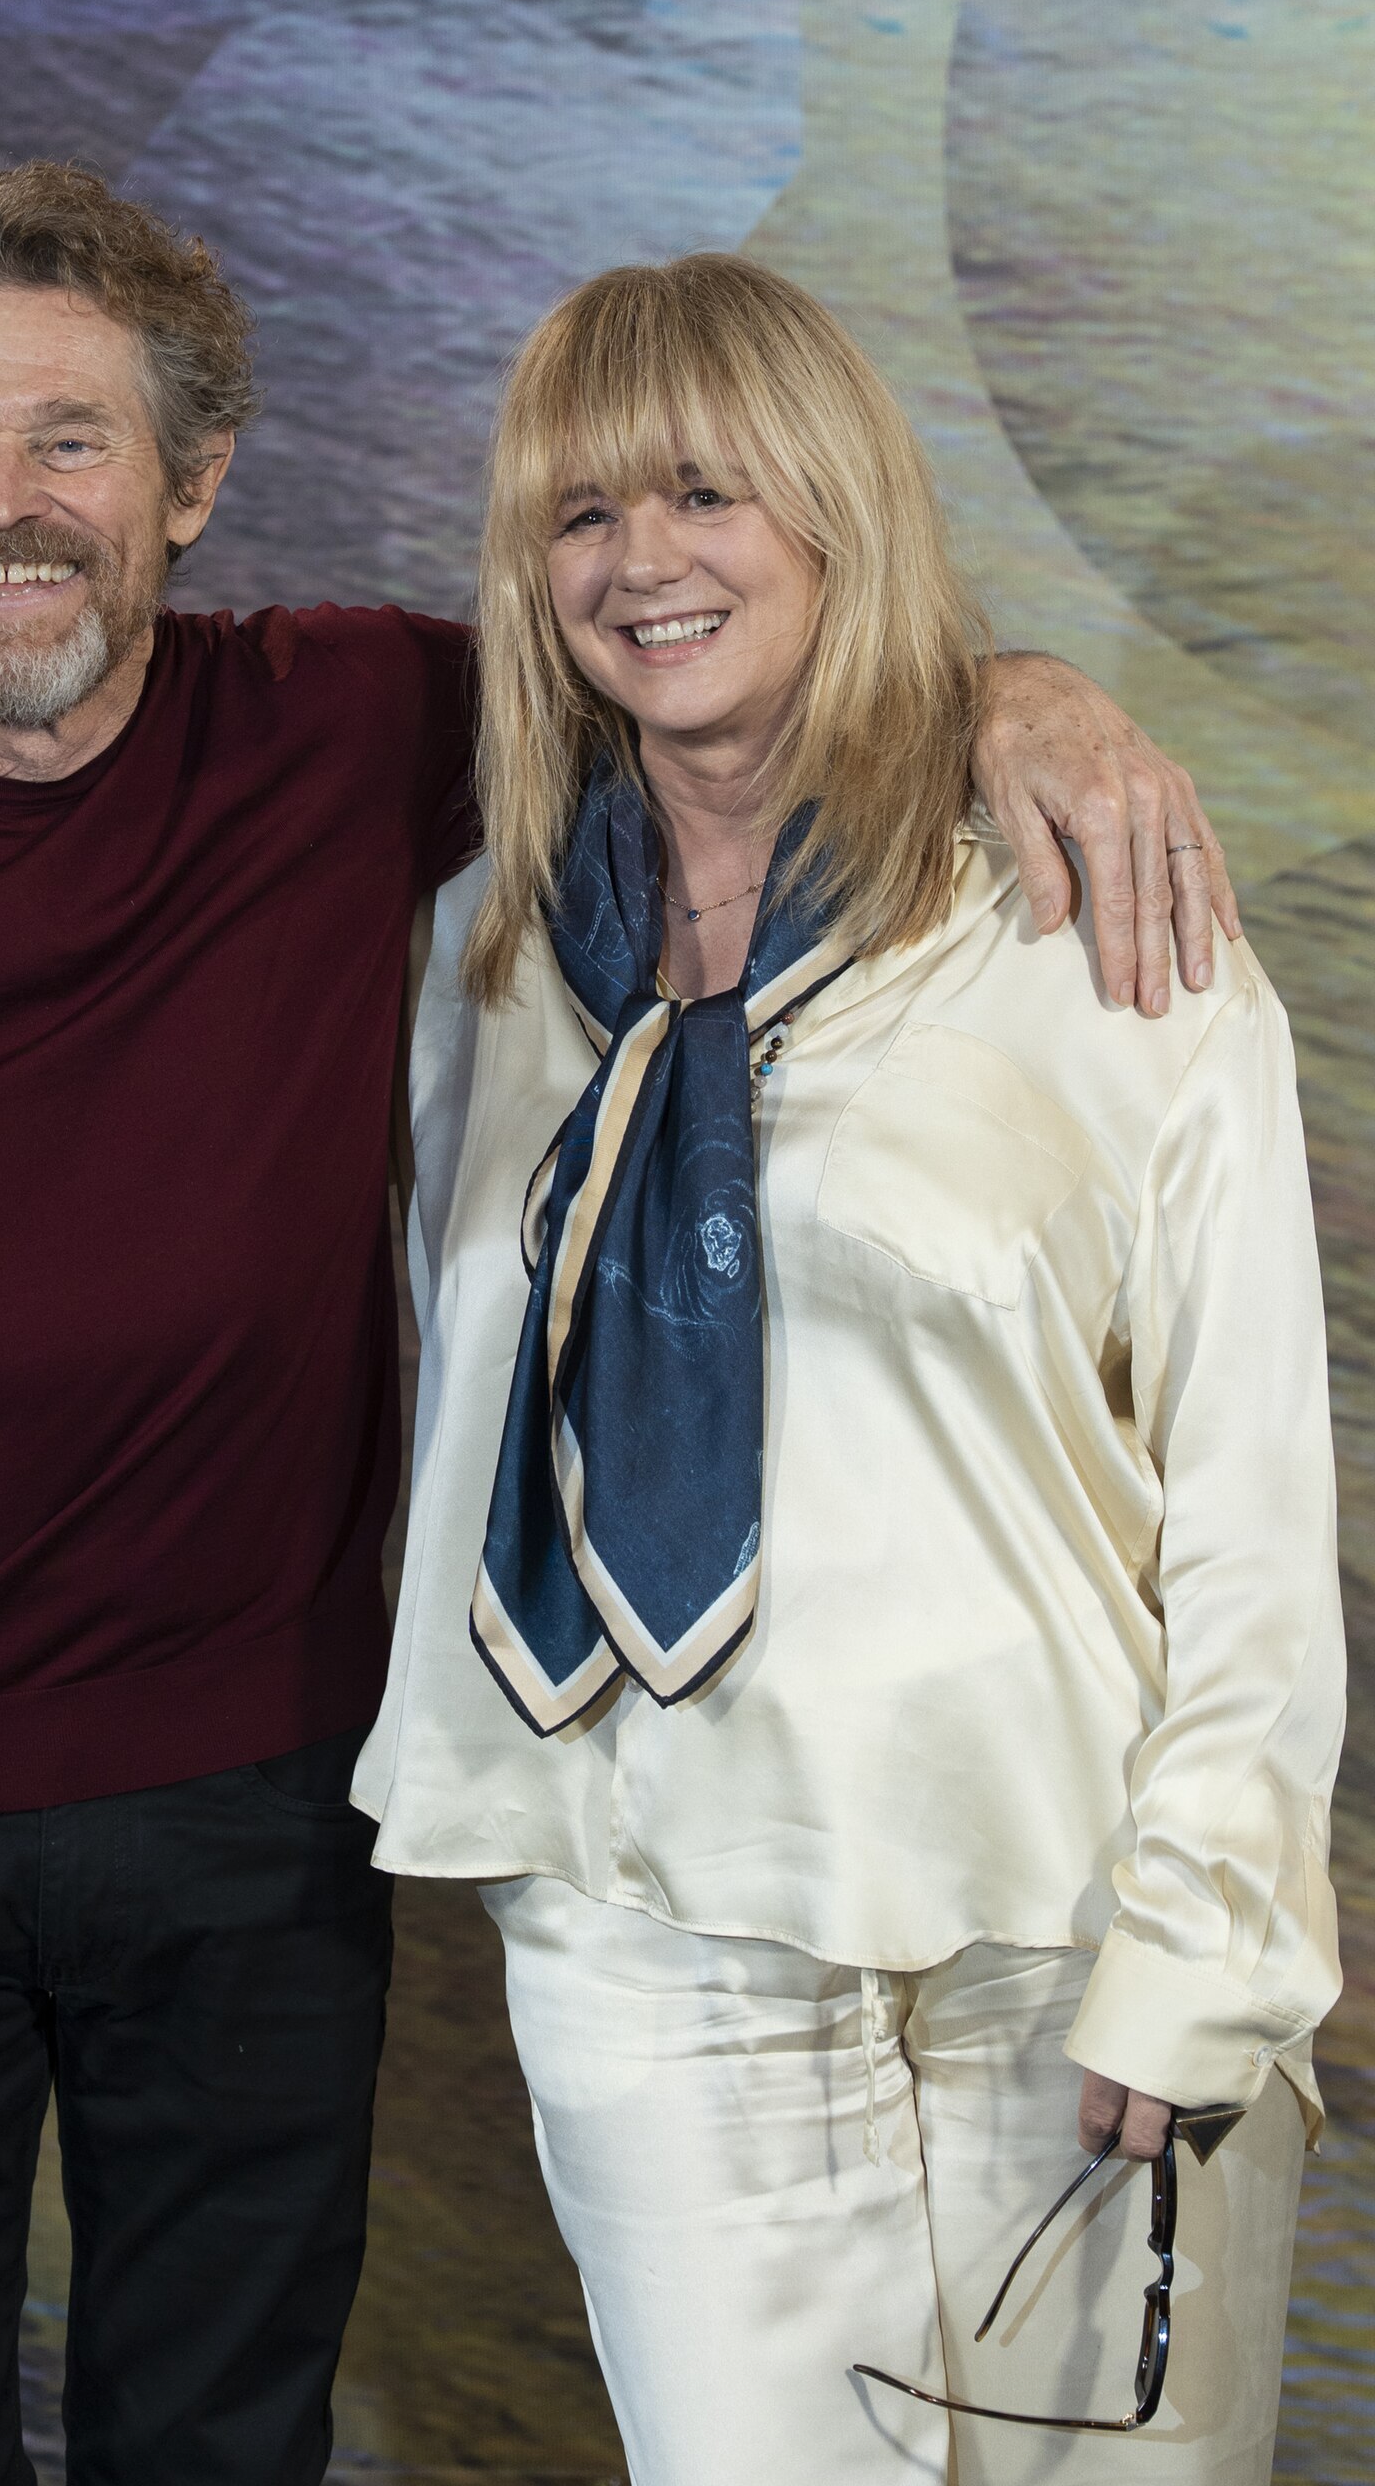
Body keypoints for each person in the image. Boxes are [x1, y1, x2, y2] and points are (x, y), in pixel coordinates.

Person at [0, 161, 1235, 2486]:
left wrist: (1019, 694)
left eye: (72, 444)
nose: (1, 507)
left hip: (251, 1814)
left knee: (225, 2452)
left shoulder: (358, 738)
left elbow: (715, 663)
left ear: (195, 482)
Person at [352, 252, 1343, 2483]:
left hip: (1057, 1928)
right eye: (581, 514)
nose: (641, 563)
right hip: (650, 1934)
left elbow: (1260, 1505)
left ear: (838, 510)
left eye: (708, 491)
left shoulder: (1091, 913)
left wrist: (1201, 1947)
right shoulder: (484, 954)